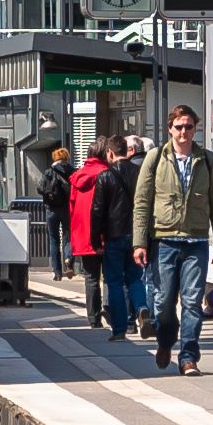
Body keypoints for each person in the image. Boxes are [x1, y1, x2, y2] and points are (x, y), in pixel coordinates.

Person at [131, 106, 213, 375]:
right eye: (179, 127)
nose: (184, 132)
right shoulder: (155, 159)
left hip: (196, 241)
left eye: (189, 127)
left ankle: (188, 357)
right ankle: (165, 341)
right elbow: (141, 203)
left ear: (195, 129)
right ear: (170, 129)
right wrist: (139, 242)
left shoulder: (206, 160)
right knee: (162, 305)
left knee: (192, 302)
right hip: (164, 241)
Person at [95, 134, 146, 340]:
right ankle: (142, 308)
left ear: (110, 152)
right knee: (135, 277)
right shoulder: (140, 173)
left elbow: (97, 210)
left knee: (115, 281)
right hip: (136, 235)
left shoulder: (105, 177)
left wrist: (95, 239)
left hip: (113, 236)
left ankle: (119, 329)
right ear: (127, 151)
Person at [65, 143, 111, 324]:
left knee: (91, 277)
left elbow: (72, 207)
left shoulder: (78, 177)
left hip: (83, 233)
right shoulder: (108, 174)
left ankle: (93, 318)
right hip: (106, 232)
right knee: (110, 276)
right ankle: (109, 310)